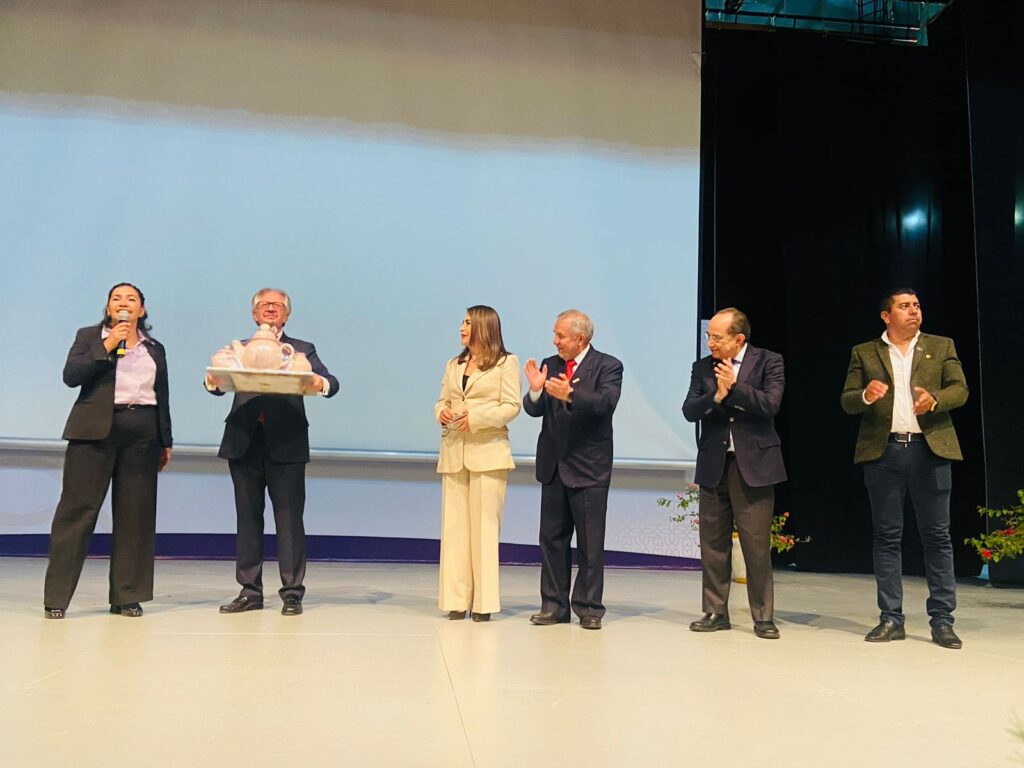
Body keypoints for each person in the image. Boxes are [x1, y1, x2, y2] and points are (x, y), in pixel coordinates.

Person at [841, 288, 968, 649]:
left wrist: (936, 399)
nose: (913, 311)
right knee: (886, 537)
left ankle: (942, 620)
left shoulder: (941, 346)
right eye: (904, 306)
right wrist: (865, 396)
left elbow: (960, 389)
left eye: (916, 305)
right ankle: (891, 618)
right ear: (886, 316)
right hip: (884, 453)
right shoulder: (865, 352)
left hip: (930, 450)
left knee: (937, 537)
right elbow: (847, 400)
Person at [43, 282, 173, 619]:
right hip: (93, 433)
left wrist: (166, 440)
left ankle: (127, 596)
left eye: (131, 299)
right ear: (108, 307)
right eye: (116, 298)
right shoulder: (89, 337)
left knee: (135, 516)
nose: (123, 303)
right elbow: (72, 376)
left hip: (143, 434)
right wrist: (109, 344)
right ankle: (56, 598)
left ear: (142, 309)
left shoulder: (154, 347)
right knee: (77, 512)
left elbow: (162, 395)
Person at [206, 288, 338, 616]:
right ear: (254, 314)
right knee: (247, 519)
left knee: (289, 521)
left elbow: (331, 383)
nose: (270, 309)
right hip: (243, 441)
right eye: (264, 305)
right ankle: (250, 591)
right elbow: (216, 386)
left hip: (287, 443)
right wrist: (212, 381)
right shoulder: (238, 349)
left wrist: (318, 384)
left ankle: (292, 593)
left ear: (287, 315)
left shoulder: (302, 349)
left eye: (277, 305)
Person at [682, 308, 786, 639]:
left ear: (738, 338)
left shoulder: (769, 361)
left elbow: (771, 404)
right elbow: (689, 410)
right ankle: (715, 612)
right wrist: (716, 395)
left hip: (754, 465)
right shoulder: (702, 367)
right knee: (713, 544)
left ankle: (763, 616)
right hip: (714, 464)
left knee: (756, 545)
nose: (710, 343)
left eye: (717, 337)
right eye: (708, 336)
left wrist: (736, 388)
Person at [523, 309, 622, 630]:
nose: (555, 341)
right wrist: (535, 390)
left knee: (590, 544)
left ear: (580, 338)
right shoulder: (550, 364)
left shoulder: (608, 366)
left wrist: (571, 394)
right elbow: (535, 409)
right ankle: (554, 606)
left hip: (589, 468)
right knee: (552, 540)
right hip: (553, 466)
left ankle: (589, 608)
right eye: (555, 334)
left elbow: (605, 404)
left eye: (560, 336)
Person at [434, 306, 521, 622]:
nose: (462, 327)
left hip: (488, 452)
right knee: (454, 529)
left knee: (484, 530)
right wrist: (441, 413)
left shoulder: (506, 363)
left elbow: (511, 406)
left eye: (468, 323)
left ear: (484, 327)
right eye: (462, 322)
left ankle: (483, 604)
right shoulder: (454, 364)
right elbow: (442, 400)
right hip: (454, 451)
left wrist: (476, 418)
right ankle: (456, 600)